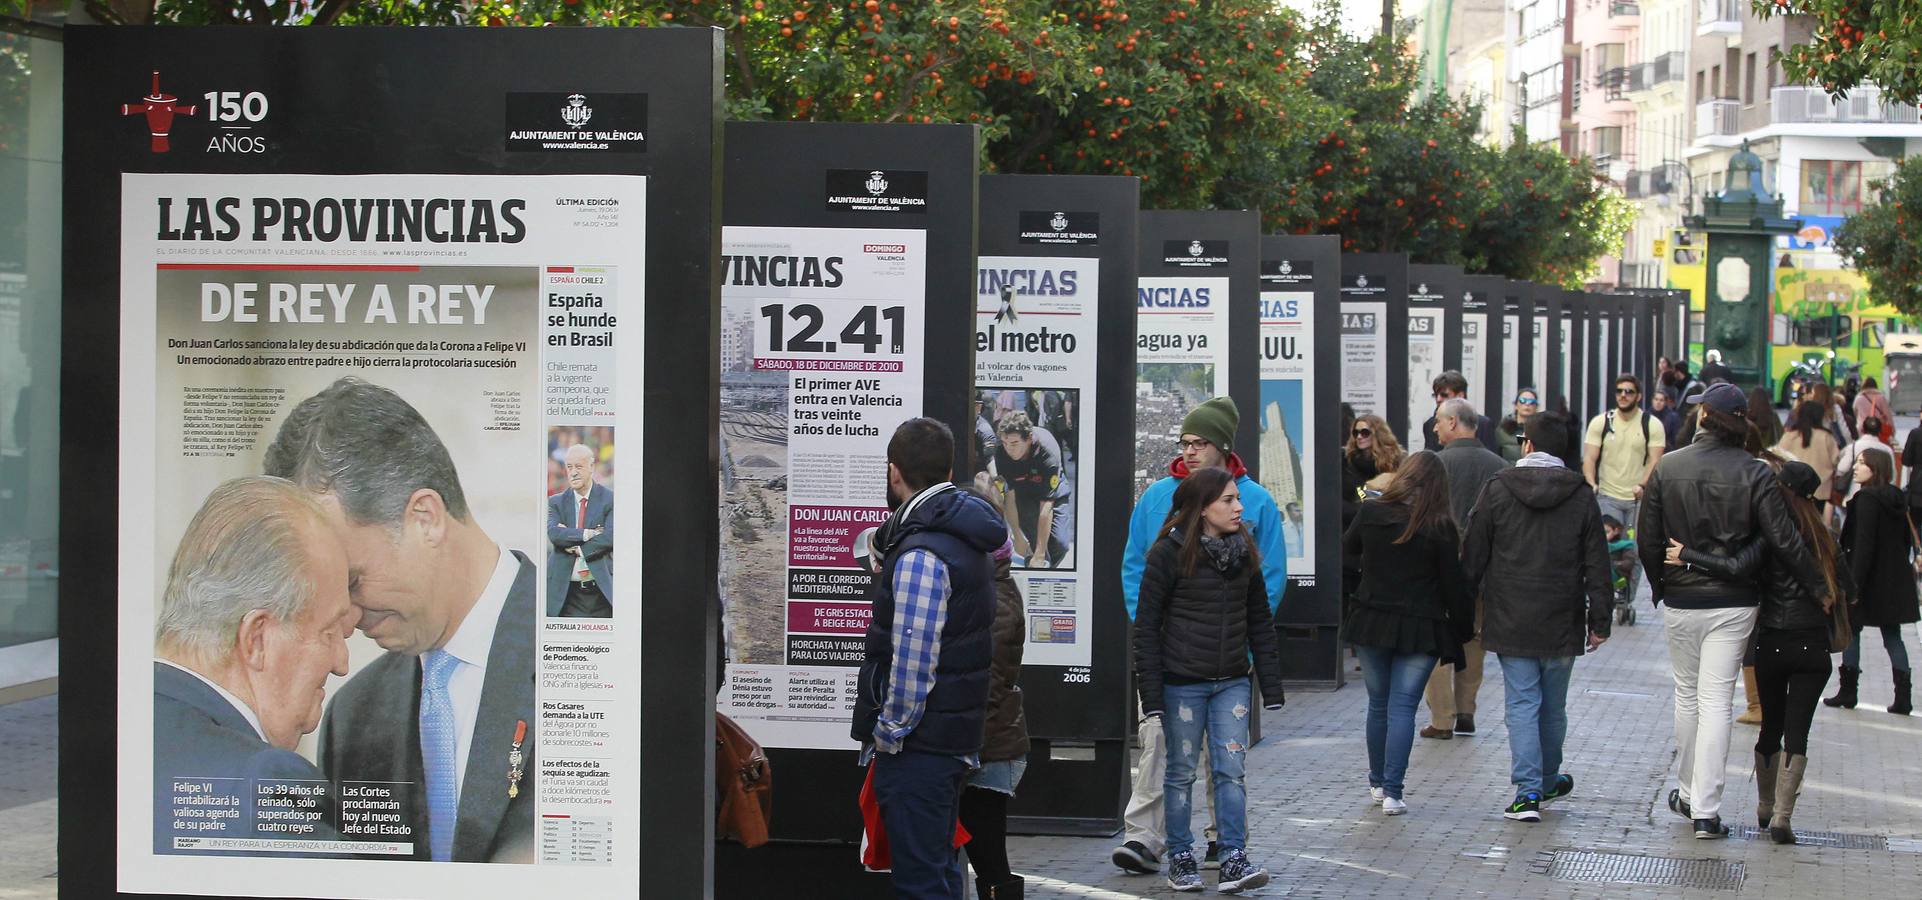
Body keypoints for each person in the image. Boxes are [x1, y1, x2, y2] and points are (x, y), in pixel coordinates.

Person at [264, 377, 538, 863]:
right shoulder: (353, 716)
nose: (343, 619)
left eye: (351, 581)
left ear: (426, 518)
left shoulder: (591, 658)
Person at [1638, 383, 1828, 839]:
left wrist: (1661, 586)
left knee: (1687, 695)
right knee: (1717, 699)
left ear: (1703, 415)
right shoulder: (1756, 472)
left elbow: (1648, 538)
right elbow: (1782, 539)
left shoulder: (1668, 466)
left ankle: (1687, 792)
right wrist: (1819, 585)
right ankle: (1706, 808)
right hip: (1734, 600)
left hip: (1683, 597)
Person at [1113, 397, 1286, 875]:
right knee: (1161, 748)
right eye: (1185, 443)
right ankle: (1146, 839)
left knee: (1225, 756)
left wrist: (1247, 640)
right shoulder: (1155, 498)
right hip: (1173, 657)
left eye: (1200, 443)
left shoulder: (1257, 501)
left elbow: (1268, 578)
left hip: (1230, 656)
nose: (1190, 452)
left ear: (1223, 446)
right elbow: (1135, 568)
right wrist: (1151, 625)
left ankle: (1220, 840)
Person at [152, 477, 356, 853]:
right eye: (329, 632)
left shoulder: (116, 731)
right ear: (257, 639)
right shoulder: (265, 782)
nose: (341, 663)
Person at [852, 418, 1005, 900]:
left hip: (921, 745)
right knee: (938, 873)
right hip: (950, 737)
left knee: (922, 881)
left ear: (894, 472)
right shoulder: (961, 534)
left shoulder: (921, 550)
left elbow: (914, 658)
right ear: (950, 467)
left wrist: (891, 731)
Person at [1665, 459, 1849, 845]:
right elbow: (1850, 586)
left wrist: (1688, 555)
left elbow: (1734, 567)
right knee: (1799, 733)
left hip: (1774, 643)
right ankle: (1782, 816)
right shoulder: (1826, 535)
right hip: (1813, 648)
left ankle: (1764, 806)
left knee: (1771, 727)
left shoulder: (1770, 536)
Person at [1460, 411, 1613, 822]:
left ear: (1527, 445)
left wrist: (1460, 610)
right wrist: (1600, 621)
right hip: (1562, 617)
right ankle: (1547, 778)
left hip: (1510, 615)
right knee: (1553, 706)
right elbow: (1598, 562)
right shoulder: (1581, 495)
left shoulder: (1497, 490)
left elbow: (1473, 555)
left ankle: (1527, 793)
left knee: (1522, 703)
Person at [1341, 451, 1474, 816]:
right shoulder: (1440, 526)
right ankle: (1394, 793)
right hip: (1421, 624)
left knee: (1378, 704)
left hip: (1371, 620)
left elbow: (1346, 552)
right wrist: (1462, 629)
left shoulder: (1372, 513)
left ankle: (1376, 781)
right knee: (1403, 707)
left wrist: (1368, 574)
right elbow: (1454, 586)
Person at [1421, 399, 1507, 741]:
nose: (1435, 429)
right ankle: (1467, 709)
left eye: (1438, 423)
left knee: (1439, 641)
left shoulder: (1435, 466)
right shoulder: (1500, 466)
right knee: (1473, 638)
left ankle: (1442, 718)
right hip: (1484, 572)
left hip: (1440, 570)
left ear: (1454, 422)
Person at [957, 514, 1030, 900]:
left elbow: (985, 683)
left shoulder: (994, 599)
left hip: (986, 749)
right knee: (985, 859)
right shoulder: (989, 590)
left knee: (988, 862)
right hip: (987, 743)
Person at [1826, 447, 1919, 715]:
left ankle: (1848, 690)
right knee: (1893, 636)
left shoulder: (1866, 499)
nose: (1856, 467)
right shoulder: (1896, 498)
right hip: (1894, 579)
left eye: (1862, 463)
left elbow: (1863, 544)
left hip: (1868, 578)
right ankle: (1903, 697)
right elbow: (1904, 540)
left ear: (1875, 468)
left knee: (1853, 630)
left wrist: (1852, 584)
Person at [1583, 374, 1666, 609]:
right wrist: (1591, 482)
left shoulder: (1651, 424)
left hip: (1638, 499)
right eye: (1619, 391)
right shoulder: (1602, 422)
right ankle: (1609, 592)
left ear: (1638, 396)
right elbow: (1589, 457)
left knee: (1636, 551)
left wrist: (1642, 484)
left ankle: (1626, 598)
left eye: (1629, 391)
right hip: (1608, 496)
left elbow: (1655, 460)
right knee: (1605, 548)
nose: (1623, 395)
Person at [991, 410, 1073, 568]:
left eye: (1014, 444)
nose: (1009, 449)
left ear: (1028, 439)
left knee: (1060, 545)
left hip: (1051, 491)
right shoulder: (1001, 453)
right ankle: (1036, 572)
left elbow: (1046, 506)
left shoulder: (1047, 453)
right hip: (1023, 493)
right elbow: (1010, 497)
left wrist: (1040, 554)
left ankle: (1040, 565)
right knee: (1036, 544)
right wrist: (1017, 535)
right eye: (1005, 443)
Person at [546, 444, 614, 617]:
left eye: (579, 466)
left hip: (601, 594)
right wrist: (588, 533)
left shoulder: (610, 498)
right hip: (566, 595)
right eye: (569, 467)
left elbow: (610, 536)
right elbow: (554, 534)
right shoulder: (556, 502)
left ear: (591, 467)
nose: (573, 472)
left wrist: (578, 548)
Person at [1774, 401, 1843, 508]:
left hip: (1792, 489)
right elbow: (1836, 461)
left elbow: (1777, 458)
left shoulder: (1789, 436)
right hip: (1820, 490)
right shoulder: (1826, 437)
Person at [1421, 371, 1501, 454]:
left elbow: (1490, 457)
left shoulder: (1483, 424)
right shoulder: (1430, 424)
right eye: (1435, 395)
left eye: (1444, 395)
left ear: (1460, 396)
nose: (1438, 399)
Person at [1834, 416, 1893, 512]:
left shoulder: (1853, 446)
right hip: (1880, 498)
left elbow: (1842, 468)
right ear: (1880, 430)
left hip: (1853, 493)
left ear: (1862, 429)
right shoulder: (1887, 450)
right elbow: (1892, 475)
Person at [1496, 388, 1540, 464]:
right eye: (1523, 401)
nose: (1527, 404)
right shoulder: (1503, 430)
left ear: (1536, 407)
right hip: (1508, 473)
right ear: (1516, 405)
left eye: (1531, 402)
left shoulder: (1541, 432)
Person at [1855, 377, 1894, 444]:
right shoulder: (1881, 398)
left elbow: (1855, 413)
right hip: (1877, 430)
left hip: (1862, 430)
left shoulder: (1858, 398)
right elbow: (1887, 416)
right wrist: (1892, 430)